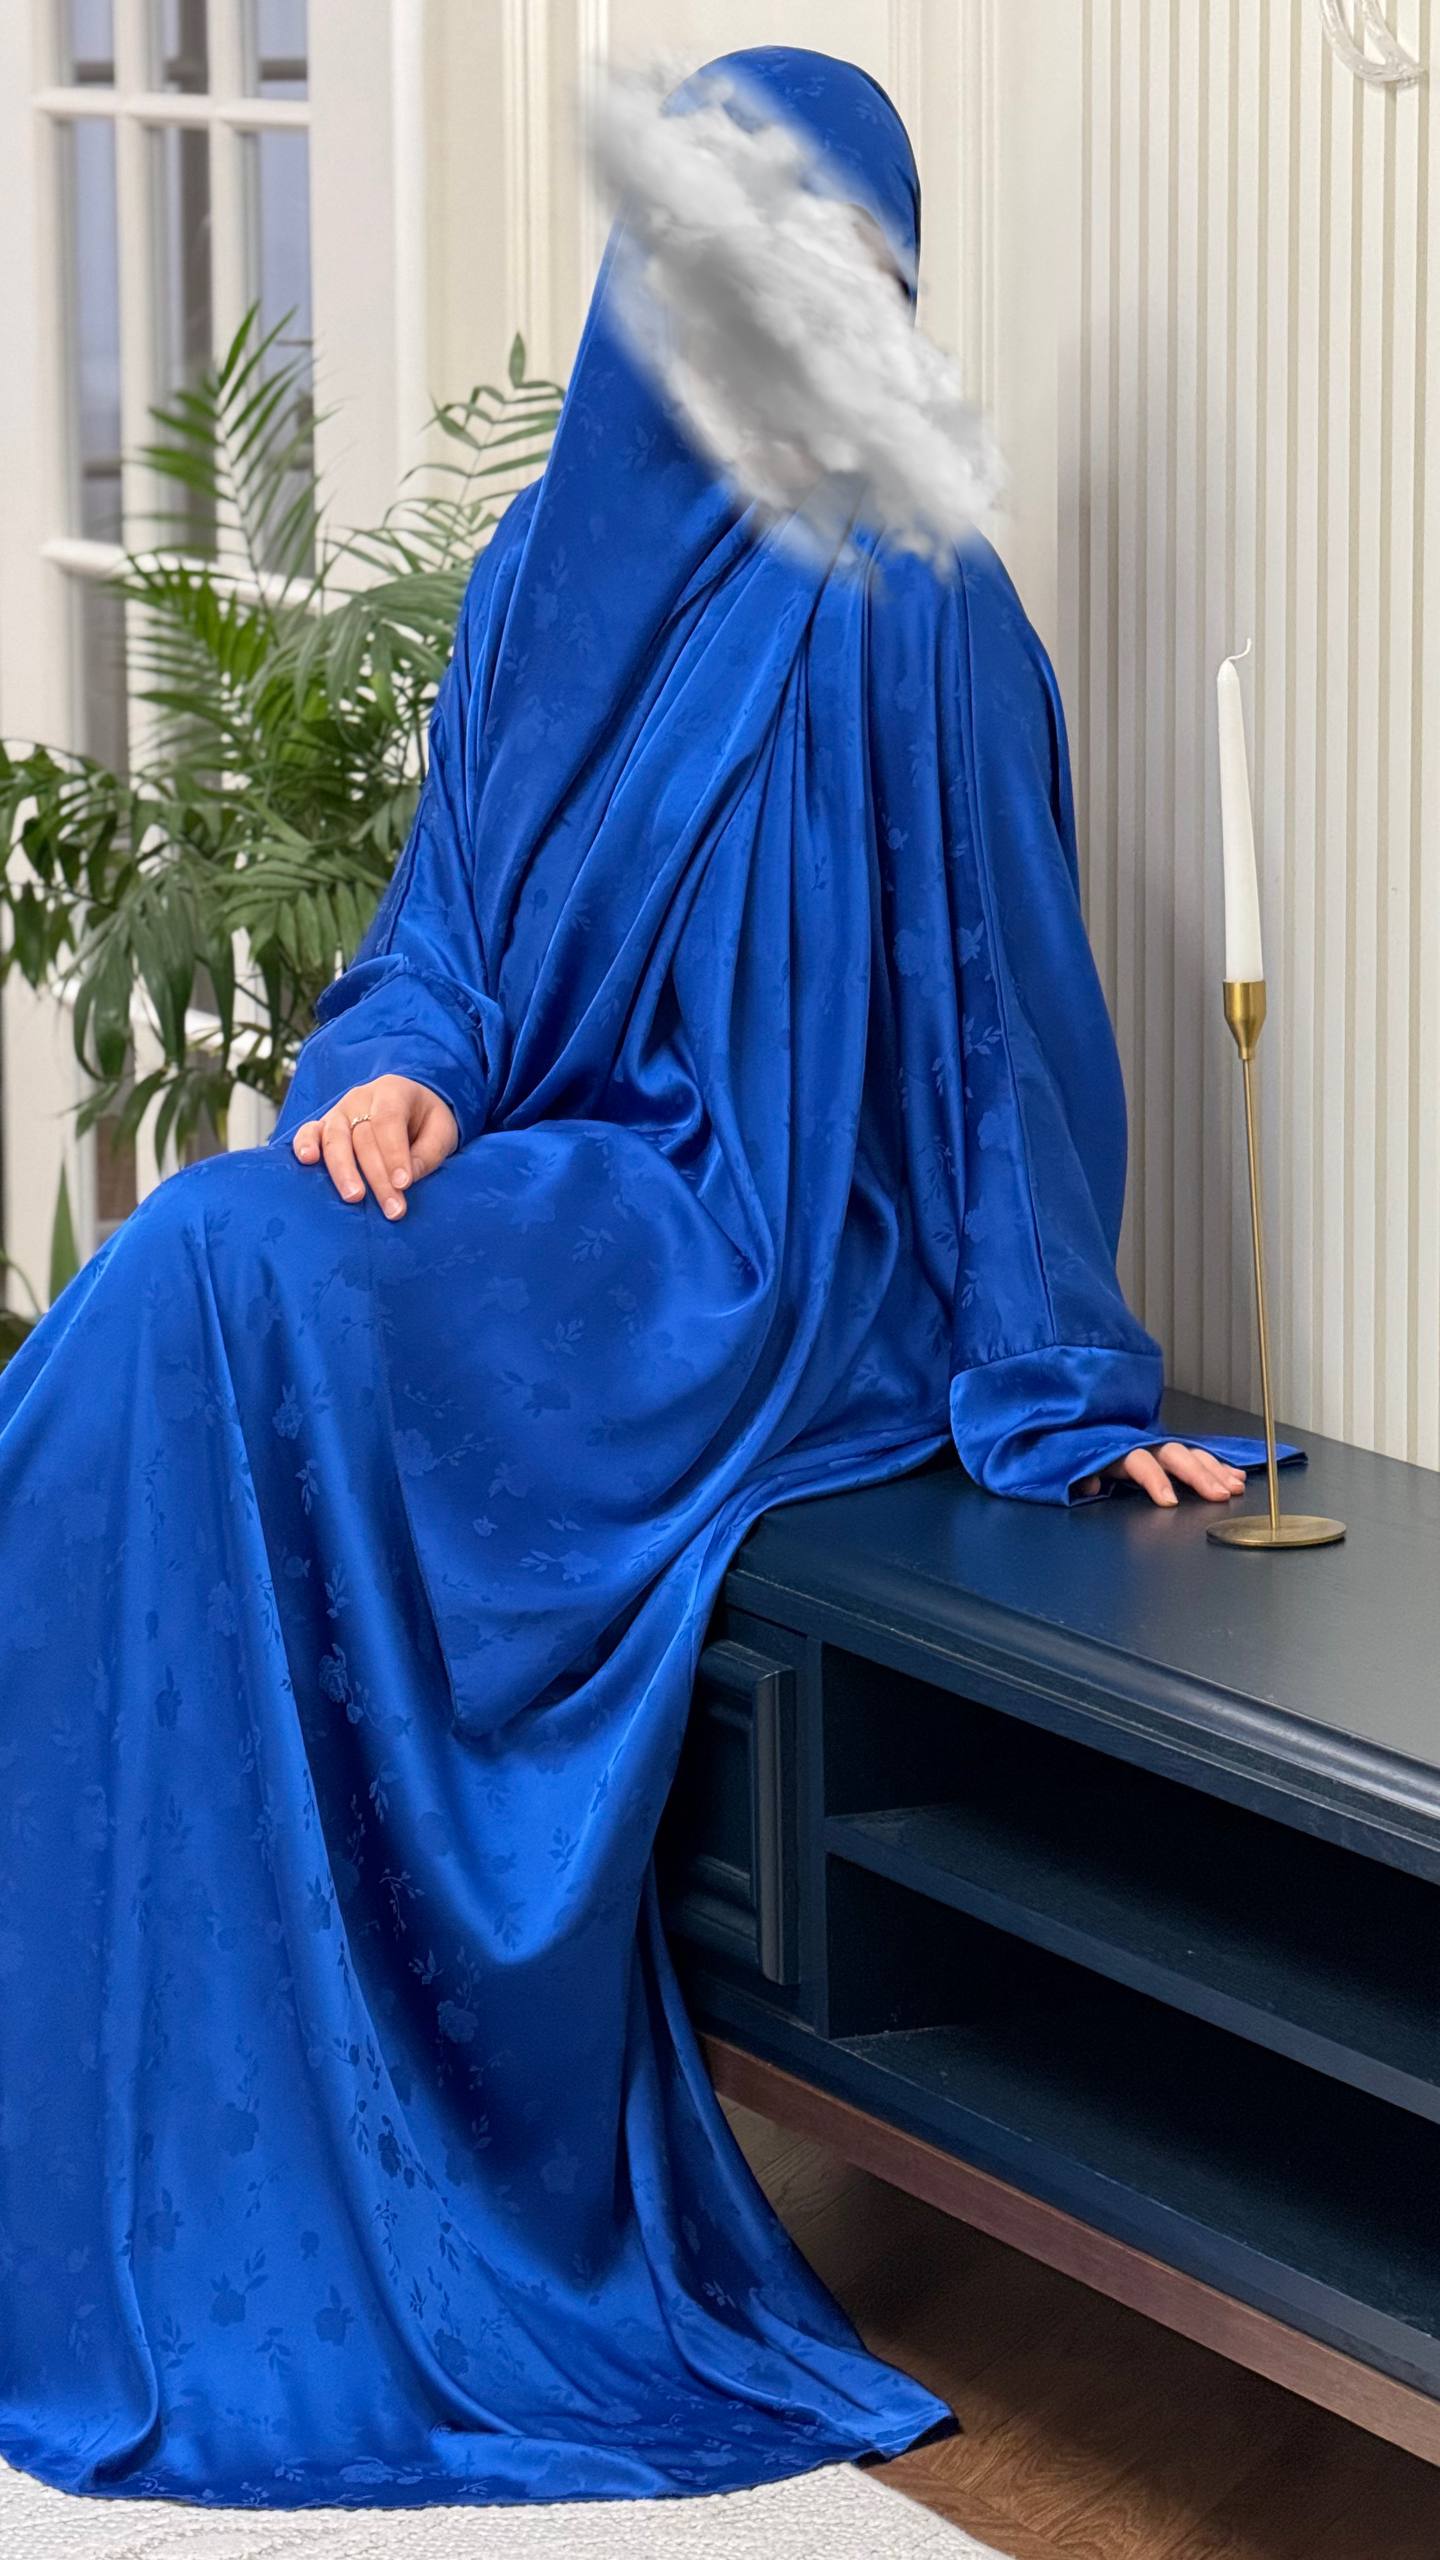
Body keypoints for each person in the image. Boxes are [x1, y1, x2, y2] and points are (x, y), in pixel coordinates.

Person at [0, 44, 1294, 2516]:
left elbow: (1001, 1031)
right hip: (542, 1182)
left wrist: (1058, 1376)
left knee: (228, 1284)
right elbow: (445, 938)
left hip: (756, 1259)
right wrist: (399, 1066)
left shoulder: (914, 604)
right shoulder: (542, 573)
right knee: (218, 1257)